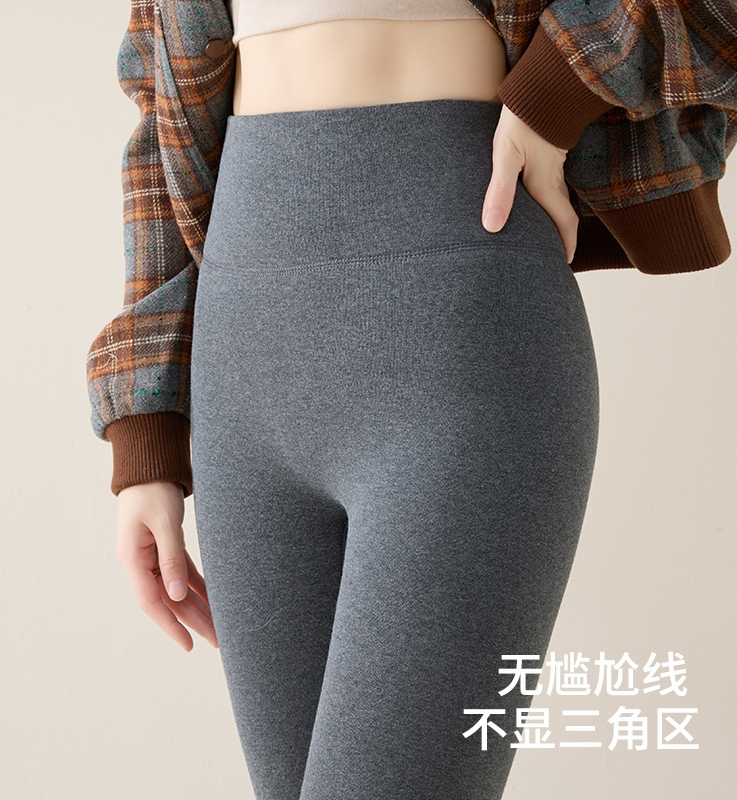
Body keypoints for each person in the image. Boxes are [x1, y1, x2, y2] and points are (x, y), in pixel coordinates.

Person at [86, 2, 736, 798]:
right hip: (241, 362)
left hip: (459, 329)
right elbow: (161, 113)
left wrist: (556, 93)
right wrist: (145, 424)